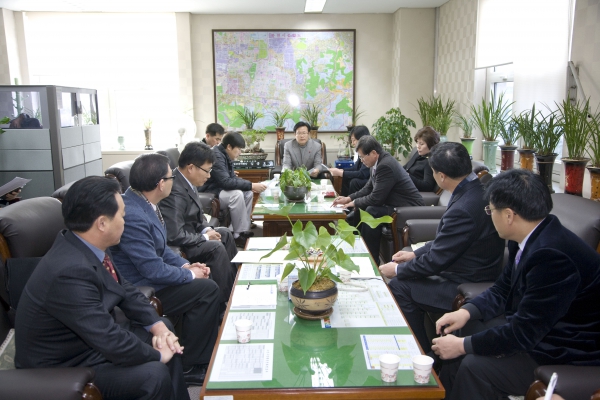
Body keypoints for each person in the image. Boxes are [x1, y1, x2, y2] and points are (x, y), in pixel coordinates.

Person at [15, 176, 190, 400]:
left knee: (164, 331)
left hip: (89, 343)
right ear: (102, 223)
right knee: (153, 373)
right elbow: (107, 338)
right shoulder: (68, 272)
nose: (125, 220)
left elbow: (124, 288)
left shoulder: (86, 244)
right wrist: (156, 355)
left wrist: (158, 329)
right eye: (122, 215)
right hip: (64, 364)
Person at [430, 169, 600, 400]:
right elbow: (503, 288)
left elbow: (524, 333)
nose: (489, 215)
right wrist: (467, 312)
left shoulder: (553, 258)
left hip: (565, 349)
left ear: (509, 215)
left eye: (490, 210)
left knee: (473, 366)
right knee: (464, 328)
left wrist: (462, 346)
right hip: (537, 329)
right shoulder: (529, 235)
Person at [378, 141, 504, 354]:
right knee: (407, 275)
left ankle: (422, 354)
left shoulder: (464, 208)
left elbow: (436, 260)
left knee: (399, 285)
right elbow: (446, 241)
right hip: (469, 267)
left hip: (466, 281)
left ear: (441, 176)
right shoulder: (476, 188)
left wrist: (397, 269)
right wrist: (414, 255)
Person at [110, 154, 221, 387]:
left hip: (153, 276)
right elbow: (152, 268)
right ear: (161, 184)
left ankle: (201, 347)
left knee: (204, 282)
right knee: (206, 290)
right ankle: (192, 364)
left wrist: (186, 266)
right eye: (172, 177)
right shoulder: (132, 214)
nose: (174, 181)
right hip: (143, 287)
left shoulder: (143, 201)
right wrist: (190, 274)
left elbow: (162, 250)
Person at [159, 143, 239, 304]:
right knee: (215, 247)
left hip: (192, 234)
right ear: (191, 168)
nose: (209, 176)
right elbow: (174, 234)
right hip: (182, 243)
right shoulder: (175, 190)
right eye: (207, 170)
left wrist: (207, 229)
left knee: (224, 233)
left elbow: (198, 215)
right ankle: (223, 304)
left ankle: (234, 288)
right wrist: (204, 238)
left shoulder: (188, 181)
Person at [332, 135, 424, 263]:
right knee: (362, 208)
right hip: (394, 204)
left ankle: (372, 259)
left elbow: (376, 199)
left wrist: (353, 203)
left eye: (363, 157)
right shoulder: (377, 162)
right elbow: (368, 188)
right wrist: (348, 198)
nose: (362, 160)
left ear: (374, 153)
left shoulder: (385, 165)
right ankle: (357, 248)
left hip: (407, 208)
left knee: (371, 210)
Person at [199, 132, 266, 247]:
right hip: (211, 192)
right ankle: (237, 236)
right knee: (237, 194)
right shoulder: (216, 155)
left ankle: (243, 229)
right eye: (239, 149)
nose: (240, 152)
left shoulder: (224, 154)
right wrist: (251, 184)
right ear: (229, 147)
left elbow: (230, 178)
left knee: (248, 193)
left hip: (220, 189)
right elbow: (226, 182)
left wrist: (249, 187)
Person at [328, 125, 371, 196]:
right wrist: (341, 170)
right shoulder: (361, 151)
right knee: (346, 177)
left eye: (354, 140)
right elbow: (355, 168)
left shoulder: (369, 151)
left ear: (362, 139)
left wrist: (341, 173)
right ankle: (343, 201)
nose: (352, 143)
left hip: (371, 181)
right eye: (352, 140)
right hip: (364, 178)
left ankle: (351, 205)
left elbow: (362, 174)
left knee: (354, 182)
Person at [403, 126, 440, 192]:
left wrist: (408, 176)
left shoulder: (430, 162)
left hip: (410, 190)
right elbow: (406, 167)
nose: (418, 146)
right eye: (417, 142)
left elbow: (427, 186)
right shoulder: (419, 153)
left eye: (421, 144)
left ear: (431, 145)